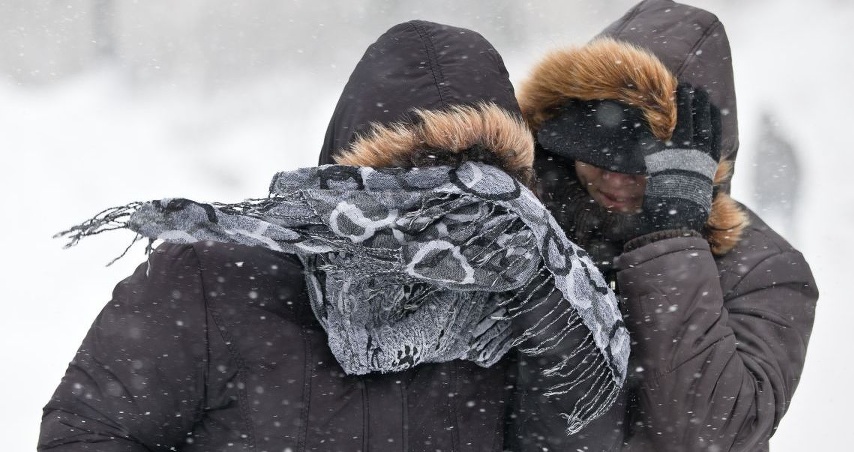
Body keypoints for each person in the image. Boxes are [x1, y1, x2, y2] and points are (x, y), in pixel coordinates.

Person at [39, 20, 629, 451]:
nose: (447, 215)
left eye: (481, 183)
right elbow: (89, 433)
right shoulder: (215, 278)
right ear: (355, 179)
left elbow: (571, 438)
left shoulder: (525, 296)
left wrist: (548, 307)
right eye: (419, 175)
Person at [508, 1, 819, 450]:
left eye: (640, 166)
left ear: (695, 168)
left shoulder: (766, 269)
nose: (613, 180)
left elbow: (711, 436)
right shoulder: (517, 231)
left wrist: (672, 244)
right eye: (595, 154)